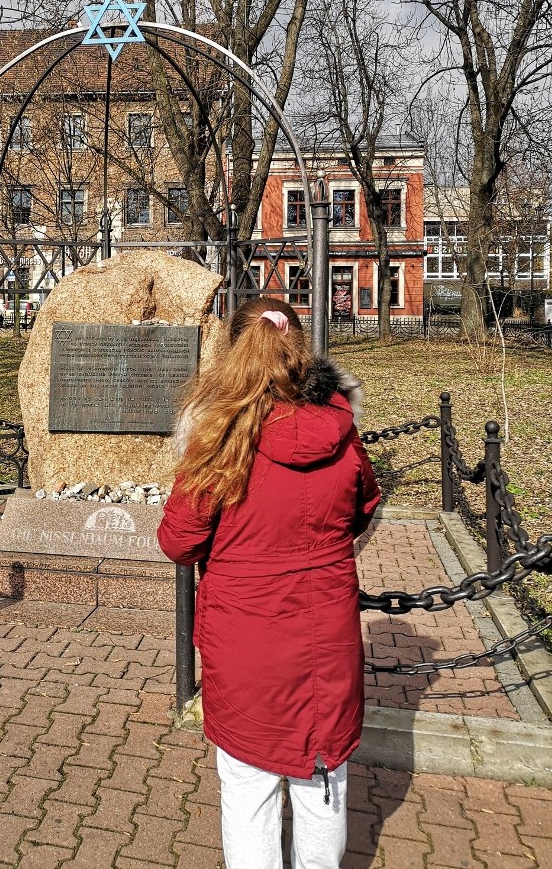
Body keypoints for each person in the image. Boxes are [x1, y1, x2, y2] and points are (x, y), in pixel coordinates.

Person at [158, 297, 380, 869]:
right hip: (326, 636)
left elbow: (179, 540)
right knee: (323, 778)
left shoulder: (219, 439)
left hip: (245, 638)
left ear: (234, 352)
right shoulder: (342, 430)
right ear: (301, 348)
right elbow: (363, 509)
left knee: (249, 783)